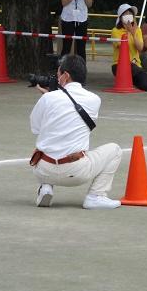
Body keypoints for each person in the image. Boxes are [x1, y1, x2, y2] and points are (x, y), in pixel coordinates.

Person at [30, 55, 122, 210]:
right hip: (75, 172)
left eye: (58, 74)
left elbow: (35, 128)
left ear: (66, 75)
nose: (56, 78)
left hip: (43, 169)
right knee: (115, 150)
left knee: (47, 142)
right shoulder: (94, 99)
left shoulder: (48, 98)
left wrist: (48, 98)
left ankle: (45, 187)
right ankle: (96, 196)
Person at [111, 4, 147, 92]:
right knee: (133, 70)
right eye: (125, 14)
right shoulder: (115, 31)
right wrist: (128, 31)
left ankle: (135, 79)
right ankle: (137, 76)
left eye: (130, 14)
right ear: (121, 17)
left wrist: (133, 33)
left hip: (135, 64)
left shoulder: (137, 30)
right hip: (119, 65)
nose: (128, 16)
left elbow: (140, 48)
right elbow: (121, 45)